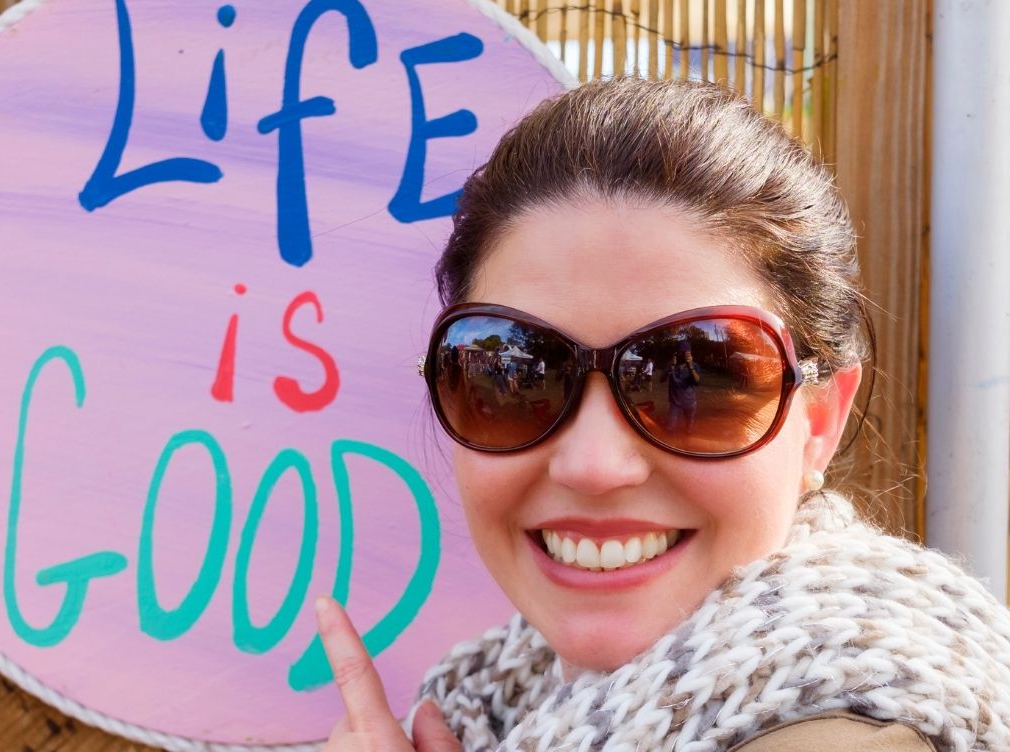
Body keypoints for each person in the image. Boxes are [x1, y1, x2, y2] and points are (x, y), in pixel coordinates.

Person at [313, 78, 1010, 750]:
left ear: (819, 420)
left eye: (697, 376)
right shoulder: (502, 705)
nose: (593, 465)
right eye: (513, 371)